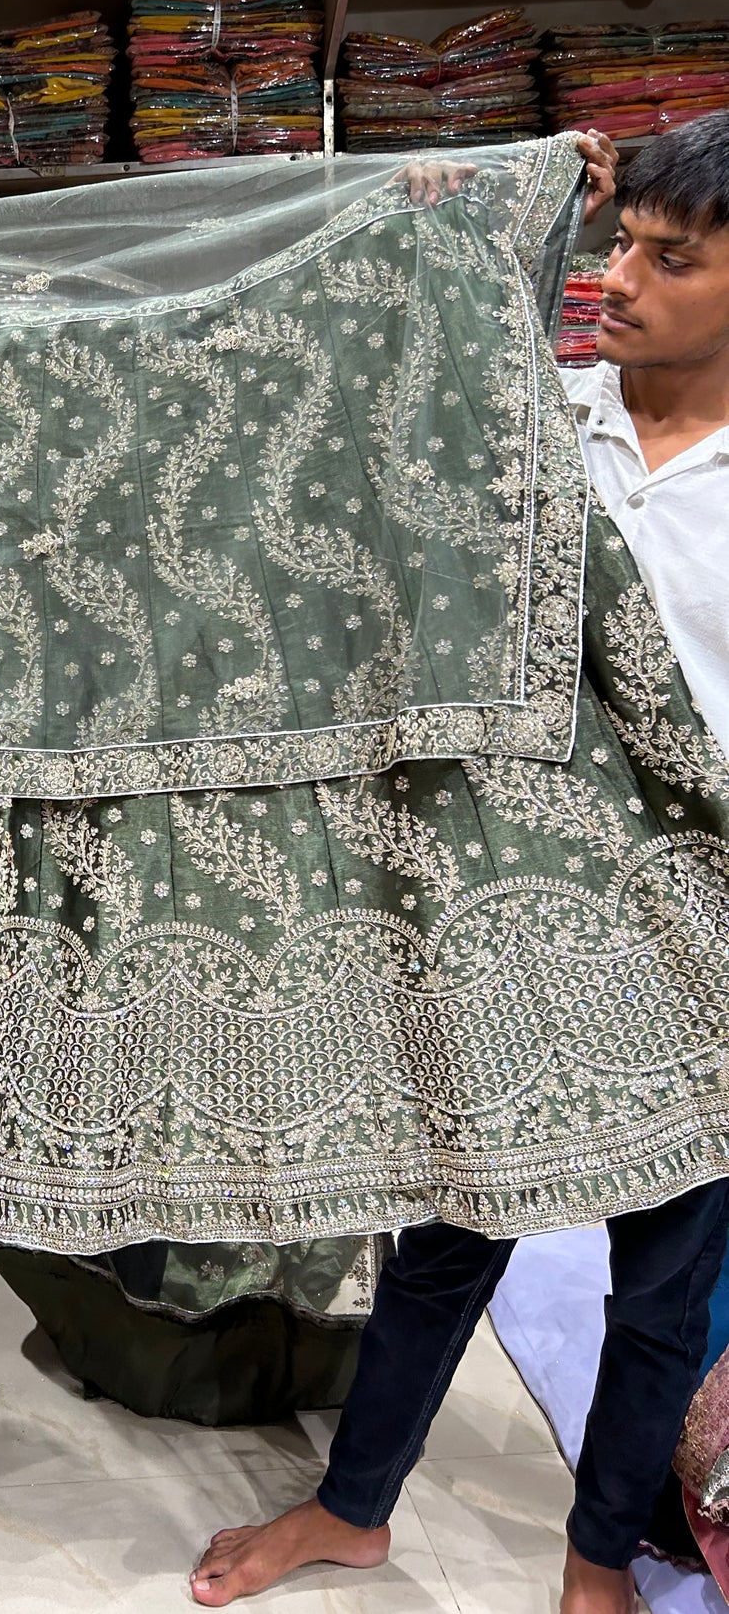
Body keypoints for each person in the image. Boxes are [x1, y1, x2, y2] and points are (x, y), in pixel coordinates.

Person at [190, 112, 729, 1614]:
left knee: (662, 1284)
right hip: (497, 918)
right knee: (442, 1236)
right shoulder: (541, 424)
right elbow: (315, 402)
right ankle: (353, 1508)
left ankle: (592, 1555)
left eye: (667, 259)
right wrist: (443, 210)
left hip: (702, 939)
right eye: (620, 240)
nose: (617, 278)